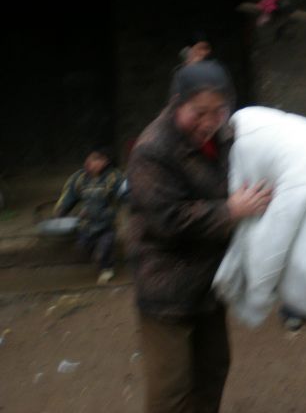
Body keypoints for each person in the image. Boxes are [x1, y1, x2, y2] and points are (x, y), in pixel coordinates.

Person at [126, 61, 271, 413]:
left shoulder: (223, 135)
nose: (208, 122)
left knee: (213, 370)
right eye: (199, 112)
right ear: (177, 103)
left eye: (218, 111)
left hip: (209, 282)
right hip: (167, 287)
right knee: (171, 391)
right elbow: (167, 220)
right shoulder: (152, 150)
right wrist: (230, 211)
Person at [54, 147, 124, 285]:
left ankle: (106, 269)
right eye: (89, 158)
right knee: (84, 245)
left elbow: (127, 194)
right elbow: (69, 196)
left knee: (105, 247)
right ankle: (96, 255)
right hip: (86, 223)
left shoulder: (115, 177)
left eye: (95, 159)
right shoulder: (79, 178)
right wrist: (61, 211)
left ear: (105, 161)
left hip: (106, 224)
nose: (89, 162)